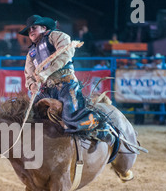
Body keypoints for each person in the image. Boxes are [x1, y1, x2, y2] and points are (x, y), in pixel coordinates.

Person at [19, 15, 114, 143]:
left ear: (43, 27)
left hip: (65, 84)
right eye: (29, 29)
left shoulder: (57, 36)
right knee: (30, 114)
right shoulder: (31, 53)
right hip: (46, 89)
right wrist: (32, 85)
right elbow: (28, 74)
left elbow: (66, 54)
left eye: (33, 27)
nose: (30, 31)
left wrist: (46, 73)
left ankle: (100, 124)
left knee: (70, 116)